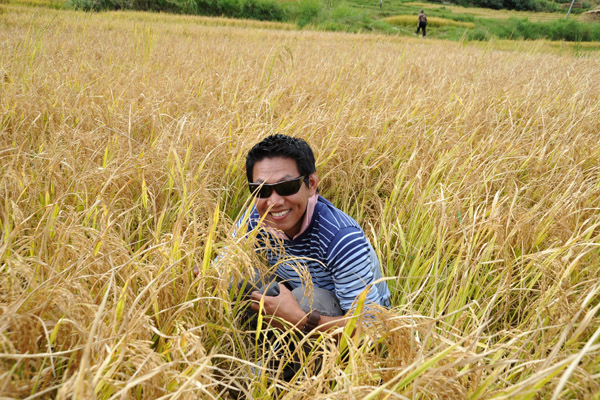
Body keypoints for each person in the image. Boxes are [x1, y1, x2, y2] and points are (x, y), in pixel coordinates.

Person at [239, 134, 391, 335]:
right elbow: (222, 266)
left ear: (311, 184)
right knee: (236, 278)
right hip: (295, 289)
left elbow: (372, 326)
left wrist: (298, 320)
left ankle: (293, 363)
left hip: (344, 314)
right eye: (261, 189)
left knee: (307, 299)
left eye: (286, 186)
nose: (273, 202)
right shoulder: (256, 218)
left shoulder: (341, 238)